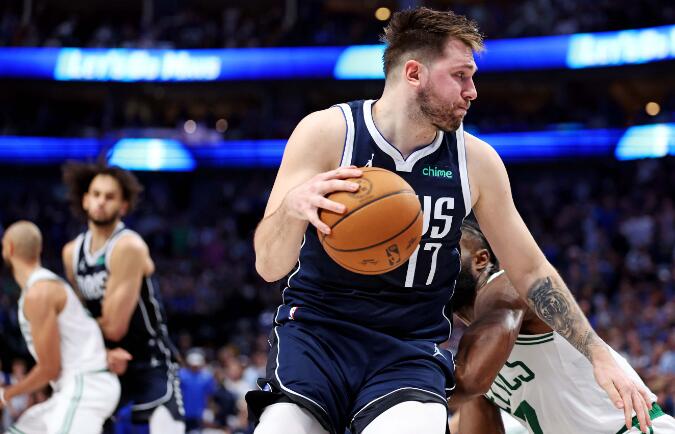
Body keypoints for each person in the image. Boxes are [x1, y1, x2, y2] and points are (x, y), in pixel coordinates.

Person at [248, 6, 653, 434]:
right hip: (316, 336)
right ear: (414, 73)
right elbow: (269, 266)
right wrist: (291, 208)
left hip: (406, 350)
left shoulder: (476, 161)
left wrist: (600, 355)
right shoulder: (329, 133)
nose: (472, 91)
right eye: (460, 76)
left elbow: (531, 270)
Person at [448, 220, 675, 433]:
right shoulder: (476, 359)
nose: (433, 265)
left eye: (445, 251)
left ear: (481, 259)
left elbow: (467, 380)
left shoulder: (506, 287)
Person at [61, 163, 185, 433]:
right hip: (105, 361)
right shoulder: (71, 253)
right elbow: (80, 317)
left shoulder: (128, 246)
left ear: (124, 206)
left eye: (109, 196)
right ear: (85, 199)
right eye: (96, 194)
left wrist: (79, 331)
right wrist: (98, 350)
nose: (101, 202)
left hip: (149, 362)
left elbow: (113, 327)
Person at [0, 220, 120, 433]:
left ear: (8, 248)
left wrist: (6, 394)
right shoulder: (45, 285)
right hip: (71, 388)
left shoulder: (39, 292)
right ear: (39, 249)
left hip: (85, 386)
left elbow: (49, 368)